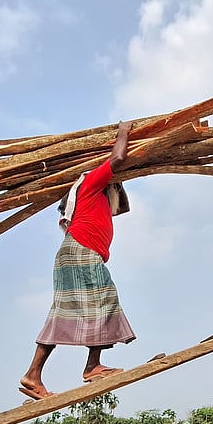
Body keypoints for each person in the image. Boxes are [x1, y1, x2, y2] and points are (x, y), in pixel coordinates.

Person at [19, 121, 136, 400]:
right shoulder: (88, 183)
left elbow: (124, 207)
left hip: (76, 253)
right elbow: (118, 159)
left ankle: (32, 375)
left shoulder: (97, 201)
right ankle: (93, 366)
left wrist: (120, 179)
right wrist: (124, 134)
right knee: (106, 300)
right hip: (81, 252)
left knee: (64, 312)